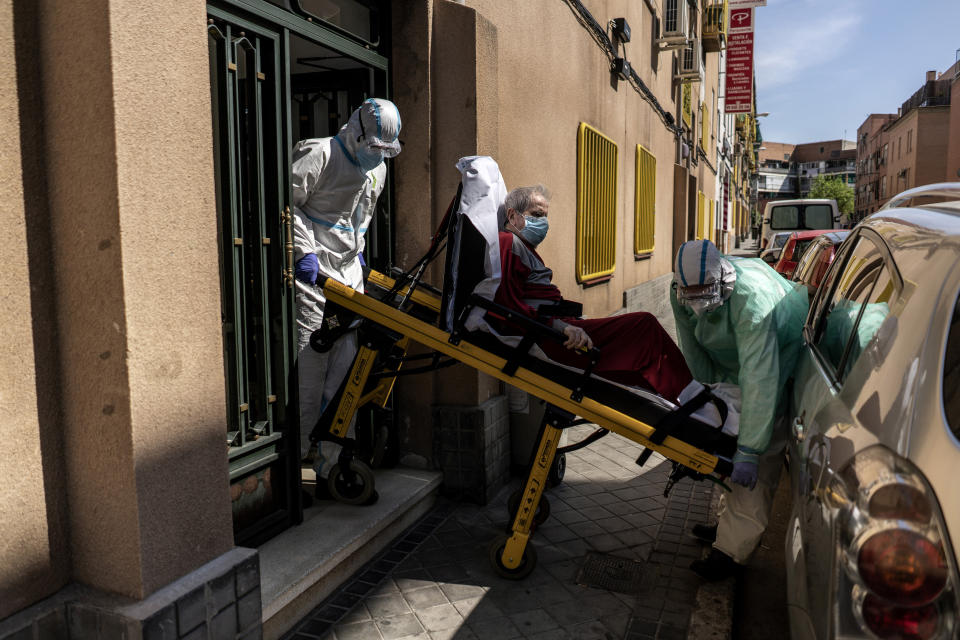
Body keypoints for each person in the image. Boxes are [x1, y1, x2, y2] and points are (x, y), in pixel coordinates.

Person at [494, 185, 724, 426]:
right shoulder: (508, 243)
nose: (544, 223)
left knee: (637, 351)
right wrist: (561, 327)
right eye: (537, 215)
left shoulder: (523, 248)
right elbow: (508, 306)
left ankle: (679, 404)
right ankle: (695, 403)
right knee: (643, 327)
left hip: (551, 329)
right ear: (512, 216)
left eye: (546, 216)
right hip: (546, 337)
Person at [670, 239, 808, 580]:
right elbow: (694, 352)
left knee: (759, 457)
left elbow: (761, 378)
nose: (698, 302)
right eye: (692, 293)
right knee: (728, 440)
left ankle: (732, 553)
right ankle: (726, 528)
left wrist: (749, 449)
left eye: (705, 292)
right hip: (735, 362)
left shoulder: (752, 302)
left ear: (722, 280)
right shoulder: (679, 292)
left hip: (780, 353)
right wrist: (708, 408)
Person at [292, 98, 402, 503]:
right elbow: (288, 206)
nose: (376, 154)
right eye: (373, 144)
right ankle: (298, 471)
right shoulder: (318, 153)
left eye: (383, 149)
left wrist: (357, 259)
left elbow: (361, 222)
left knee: (344, 380)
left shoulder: (379, 171)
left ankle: (332, 468)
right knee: (310, 375)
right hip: (313, 273)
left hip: (349, 279)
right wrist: (302, 252)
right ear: (355, 129)